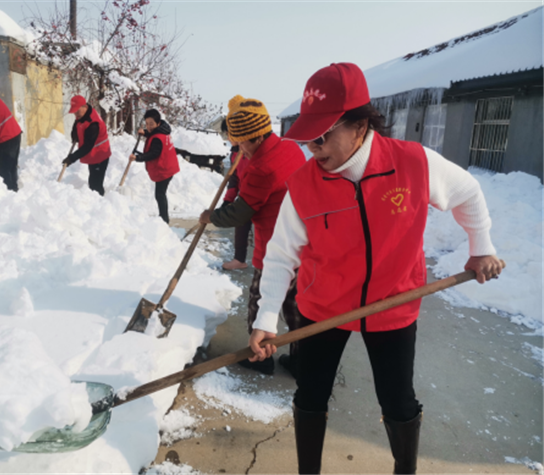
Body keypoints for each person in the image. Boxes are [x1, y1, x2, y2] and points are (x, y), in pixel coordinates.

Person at [247, 63, 504, 474]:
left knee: (398, 399)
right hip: (323, 305)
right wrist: (265, 319)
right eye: (308, 138)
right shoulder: (303, 185)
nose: (313, 148)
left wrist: (481, 247)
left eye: (323, 136)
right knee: (310, 393)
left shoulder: (413, 163)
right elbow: (280, 256)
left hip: (393, 302)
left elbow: (468, 192)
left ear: (360, 124)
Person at [199, 95, 306, 375]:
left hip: (274, 245)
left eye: (241, 144)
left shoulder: (262, 167)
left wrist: (211, 217)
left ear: (256, 137)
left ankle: (260, 358)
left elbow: (240, 213)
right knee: (295, 305)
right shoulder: (289, 148)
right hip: (301, 242)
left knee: (260, 300)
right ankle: (302, 361)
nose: (239, 150)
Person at [129, 109, 180, 224]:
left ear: (158, 123)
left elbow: (153, 154)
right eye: (147, 124)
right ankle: (163, 218)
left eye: (151, 124)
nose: (149, 126)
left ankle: (164, 220)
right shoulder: (163, 130)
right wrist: (145, 132)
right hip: (168, 167)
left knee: (160, 194)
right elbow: (153, 133)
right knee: (160, 194)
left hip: (165, 170)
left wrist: (137, 158)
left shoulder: (157, 138)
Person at [63, 96, 111, 196]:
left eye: (77, 111)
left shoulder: (93, 123)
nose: (76, 114)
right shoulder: (82, 115)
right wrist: (74, 135)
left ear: (84, 106)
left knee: (95, 185)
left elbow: (87, 146)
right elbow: (77, 125)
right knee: (92, 182)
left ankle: (101, 202)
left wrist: (72, 158)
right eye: (74, 111)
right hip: (93, 154)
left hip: (100, 155)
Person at [220, 120, 251, 271]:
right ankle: (239, 259)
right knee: (241, 224)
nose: (228, 138)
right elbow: (234, 179)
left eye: (230, 134)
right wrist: (228, 200)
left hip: (259, 194)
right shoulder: (235, 153)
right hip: (246, 195)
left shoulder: (250, 150)